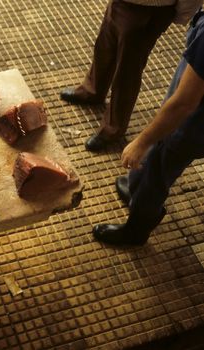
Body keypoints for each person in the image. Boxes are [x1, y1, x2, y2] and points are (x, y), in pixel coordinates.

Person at [93, 9, 204, 246]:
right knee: (153, 164)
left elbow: (184, 103)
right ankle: (136, 187)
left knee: (156, 167)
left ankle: (137, 229)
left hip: (191, 123)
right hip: (192, 107)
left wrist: (142, 141)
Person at [60, 0, 202, 152]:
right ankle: (93, 91)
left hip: (150, 9)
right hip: (121, 3)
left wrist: (180, 14)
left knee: (127, 71)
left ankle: (113, 129)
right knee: (104, 48)